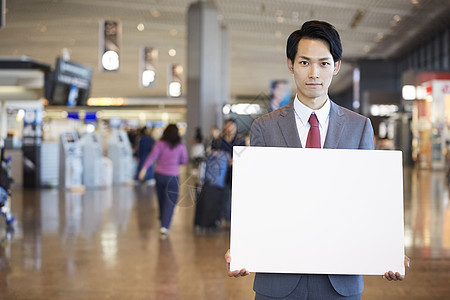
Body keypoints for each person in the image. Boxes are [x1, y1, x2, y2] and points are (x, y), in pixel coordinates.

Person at [225, 20, 410, 299]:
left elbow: (367, 200)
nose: (314, 73)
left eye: (323, 63)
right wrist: (241, 245)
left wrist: (385, 250)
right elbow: (256, 198)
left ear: (336, 66)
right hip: (278, 279)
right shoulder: (265, 127)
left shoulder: (359, 127)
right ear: (290, 64)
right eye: (304, 63)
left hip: (340, 279)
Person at [138, 124, 188, 236]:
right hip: (173, 176)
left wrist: (144, 169)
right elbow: (184, 161)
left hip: (159, 174)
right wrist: (175, 162)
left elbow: (152, 157)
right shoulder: (180, 146)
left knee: (161, 199)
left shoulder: (159, 144)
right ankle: (165, 225)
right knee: (170, 201)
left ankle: (162, 218)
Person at [212, 119, 246, 225]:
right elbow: (213, 154)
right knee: (220, 194)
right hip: (220, 172)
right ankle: (220, 217)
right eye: (227, 126)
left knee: (232, 195)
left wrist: (235, 160)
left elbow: (244, 154)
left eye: (231, 126)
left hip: (235, 171)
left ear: (236, 128)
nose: (229, 128)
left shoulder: (240, 140)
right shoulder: (218, 141)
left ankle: (230, 219)